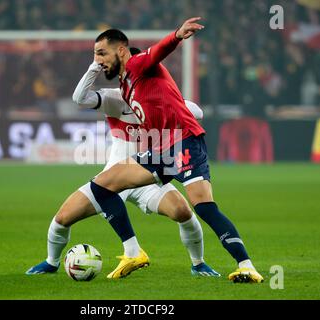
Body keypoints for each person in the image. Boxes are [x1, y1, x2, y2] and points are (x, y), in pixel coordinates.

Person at [87, 17, 264, 283]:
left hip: (184, 142)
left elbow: (157, 52)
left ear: (121, 50)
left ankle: (246, 266)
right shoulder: (125, 85)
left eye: (102, 53)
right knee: (102, 186)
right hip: (160, 149)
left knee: (204, 207)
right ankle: (133, 251)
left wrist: (177, 35)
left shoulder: (137, 64)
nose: (98, 60)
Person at [26, 48, 220, 279]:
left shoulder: (160, 98)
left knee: (183, 212)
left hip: (147, 176)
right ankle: (51, 262)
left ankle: (198, 264)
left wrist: (171, 100)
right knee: (62, 219)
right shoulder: (115, 98)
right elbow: (80, 98)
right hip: (115, 178)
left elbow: (196, 111)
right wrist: (94, 68)